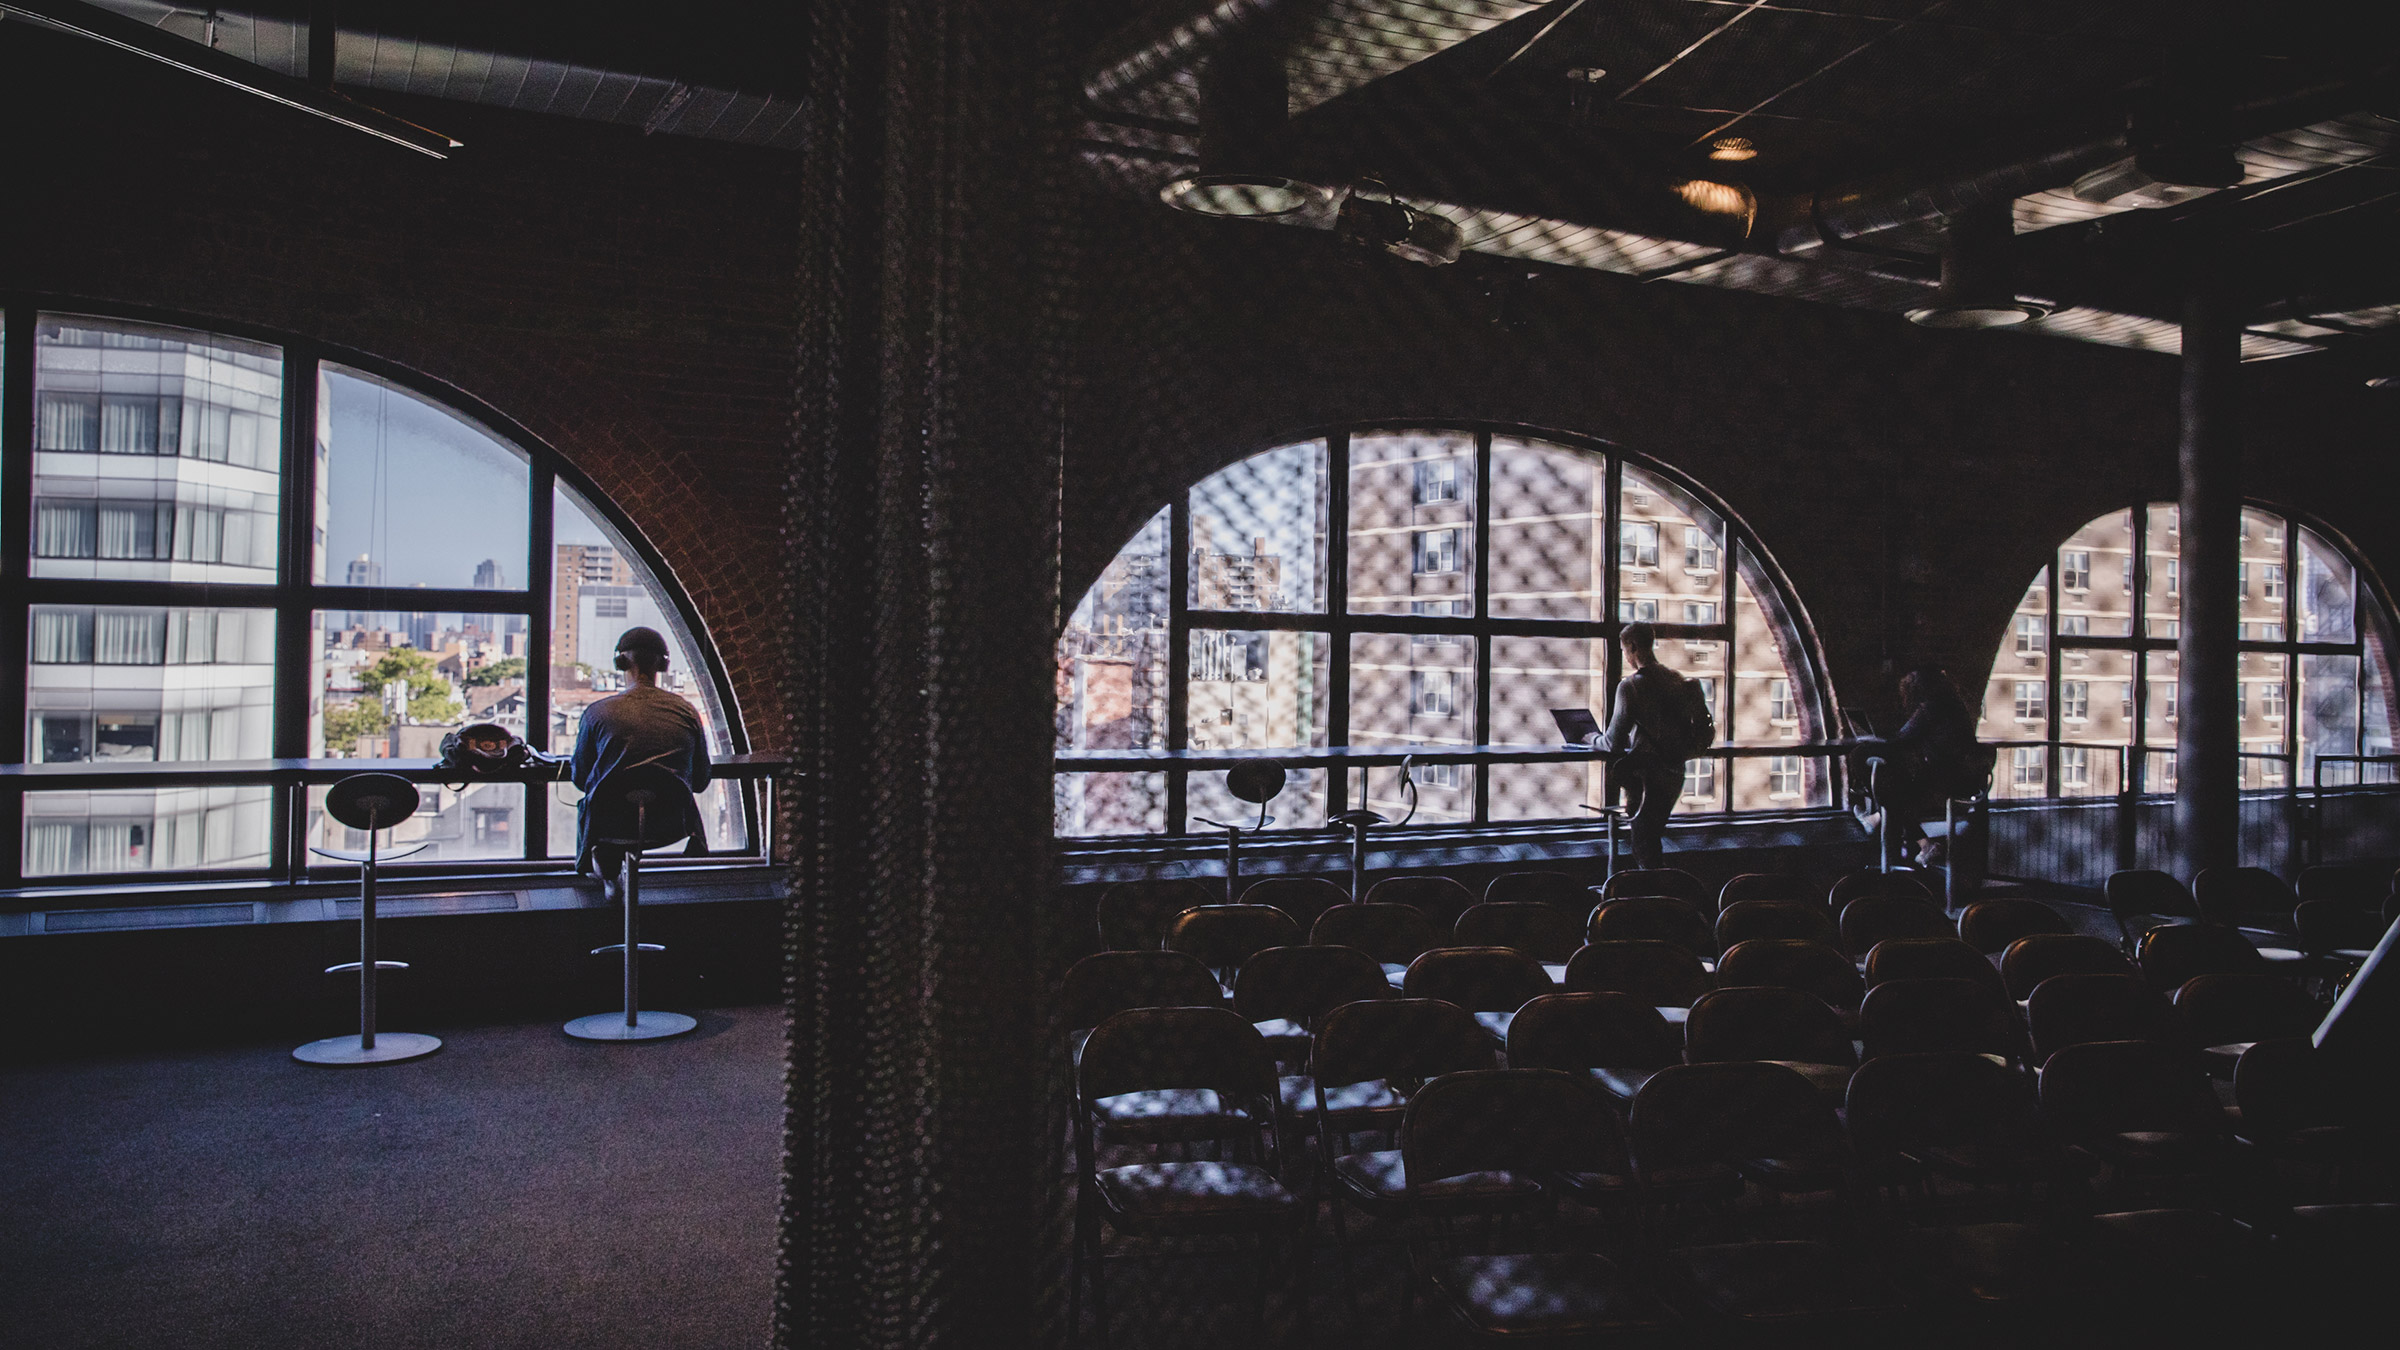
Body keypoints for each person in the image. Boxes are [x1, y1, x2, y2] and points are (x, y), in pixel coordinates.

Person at [570, 626, 713, 890]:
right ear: (663, 664)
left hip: (611, 824)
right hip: (670, 825)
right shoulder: (688, 711)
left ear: (620, 661)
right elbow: (701, 780)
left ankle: (609, 877)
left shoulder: (596, 713)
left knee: (595, 810)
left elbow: (580, 780)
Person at [1851, 665, 1984, 866]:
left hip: (1946, 781)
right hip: (1965, 778)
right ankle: (1886, 824)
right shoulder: (1954, 705)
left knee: (1870, 766)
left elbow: (1902, 738)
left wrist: (1874, 741)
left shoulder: (1931, 707)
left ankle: (1903, 838)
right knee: (1897, 791)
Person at [1597, 622, 1701, 869]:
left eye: (1624, 651)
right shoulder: (1676, 680)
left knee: (1643, 845)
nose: (1625, 657)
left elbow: (1612, 742)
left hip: (1645, 778)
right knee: (1652, 840)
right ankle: (1656, 894)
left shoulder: (1631, 686)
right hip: (1674, 773)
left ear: (1632, 647)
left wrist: (1588, 738)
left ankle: (1652, 897)